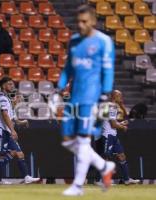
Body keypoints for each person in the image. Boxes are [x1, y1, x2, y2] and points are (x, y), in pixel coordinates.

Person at [57, 5, 116, 196]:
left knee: (83, 141)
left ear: (93, 21)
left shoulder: (104, 41)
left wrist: (105, 97)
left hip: (93, 98)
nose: (80, 25)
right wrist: (59, 88)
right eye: (78, 21)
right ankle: (104, 166)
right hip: (75, 98)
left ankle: (78, 186)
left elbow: (108, 71)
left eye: (84, 21)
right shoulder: (74, 41)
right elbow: (68, 69)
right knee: (67, 140)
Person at [0, 77, 40, 185]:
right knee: (1, 155)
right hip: (1, 130)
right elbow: (5, 115)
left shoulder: (8, 100)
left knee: (19, 153)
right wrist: (13, 130)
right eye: (9, 84)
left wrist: (21, 122)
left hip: (7, 130)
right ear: (3, 85)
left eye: (12, 84)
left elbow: (12, 118)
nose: (12, 86)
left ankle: (26, 177)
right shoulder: (1, 97)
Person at [95, 90, 140, 185]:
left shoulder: (110, 105)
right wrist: (122, 126)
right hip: (108, 135)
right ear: (114, 96)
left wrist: (121, 123)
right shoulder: (111, 106)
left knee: (122, 156)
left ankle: (126, 179)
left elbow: (111, 122)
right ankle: (99, 180)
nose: (121, 97)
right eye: (120, 96)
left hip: (113, 135)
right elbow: (113, 125)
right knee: (105, 157)